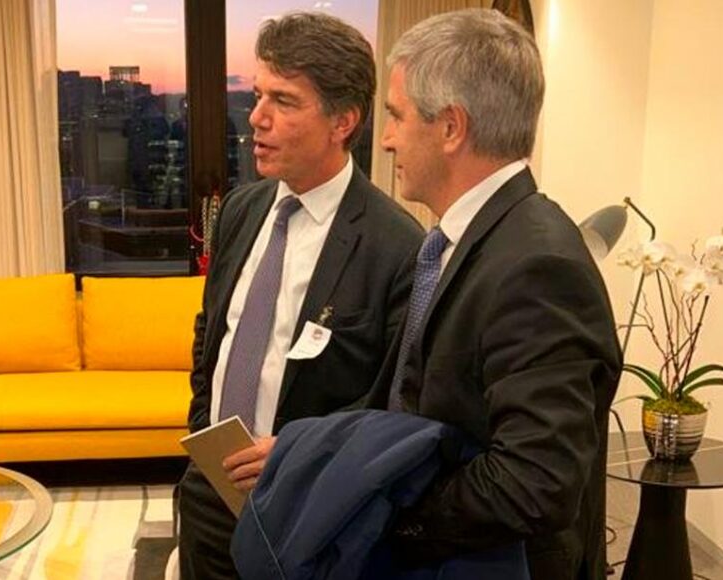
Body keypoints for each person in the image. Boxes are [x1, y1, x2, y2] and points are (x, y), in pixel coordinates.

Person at [373, 8, 621, 580]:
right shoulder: (457, 242)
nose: (385, 140)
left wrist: (393, 515)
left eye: (396, 116)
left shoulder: (538, 265)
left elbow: (535, 482)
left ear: (451, 127)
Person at [178, 11, 424, 578]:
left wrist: (295, 455)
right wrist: (202, 428)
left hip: (307, 514)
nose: (256, 118)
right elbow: (212, 332)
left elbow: (398, 406)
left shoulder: (397, 247)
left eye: (283, 101)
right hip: (209, 494)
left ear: (343, 121)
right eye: (258, 95)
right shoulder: (241, 210)